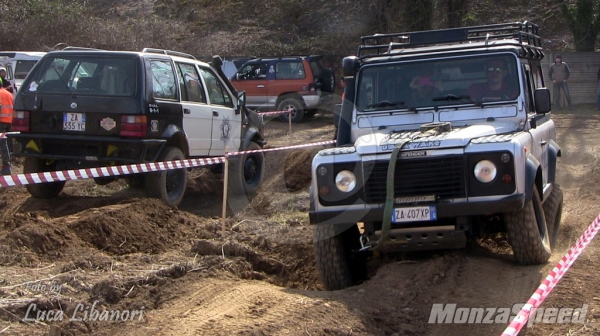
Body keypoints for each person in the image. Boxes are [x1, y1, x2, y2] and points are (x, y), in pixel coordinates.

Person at [0, 84, 13, 175]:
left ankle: (6, 165)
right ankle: (7, 165)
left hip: (1, 121)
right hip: (9, 121)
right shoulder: (9, 94)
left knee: (3, 143)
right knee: (6, 143)